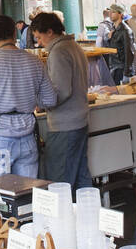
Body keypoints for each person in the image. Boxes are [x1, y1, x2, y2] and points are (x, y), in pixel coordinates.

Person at [0, 14, 56, 179]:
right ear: (15, 34)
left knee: (2, 196)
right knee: (28, 192)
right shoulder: (34, 61)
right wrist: (29, 98)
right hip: (29, 138)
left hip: (0, 140)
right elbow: (50, 100)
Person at [31, 12, 92, 190]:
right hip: (80, 119)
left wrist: (40, 103)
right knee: (81, 174)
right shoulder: (74, 46)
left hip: (64, 124)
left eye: (39, 37)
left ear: (50, 32)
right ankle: (86, 215)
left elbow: (61, 91)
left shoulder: (58, 52)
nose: (39, 42)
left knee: (60, 179)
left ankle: (63, 216)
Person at [107, 5, 134, 84]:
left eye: (113, 12)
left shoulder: (125, 30)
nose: (110, 13)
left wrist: (127, 73)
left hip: (121, 69)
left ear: (120, 14)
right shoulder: (114, 30)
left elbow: (129, 52)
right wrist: (110, 38)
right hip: (114, 68)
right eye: (110, 11)